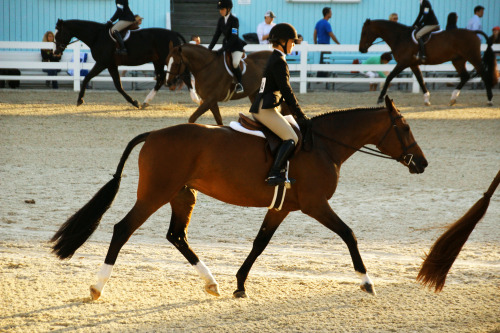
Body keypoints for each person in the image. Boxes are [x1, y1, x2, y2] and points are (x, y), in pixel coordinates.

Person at [249, 23, 308, 186]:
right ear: (283, 41)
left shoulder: (273, 58)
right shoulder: (279, 61)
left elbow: (265, 86)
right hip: (266, 109)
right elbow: (287, 91)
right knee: (292, 138)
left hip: (264, 105)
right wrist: (301, 115)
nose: (294, 45)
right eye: (292, 41)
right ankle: (275, 174)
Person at [208, 0, 247, 94]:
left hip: (236, 46)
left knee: (234, 63)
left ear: (228, 9)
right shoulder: (221, 20)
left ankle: (239, 84)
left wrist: (223, 49)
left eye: (222, 9)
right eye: (220, 9)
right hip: (226, 46)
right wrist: (209, 48)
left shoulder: (234, 20)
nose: (220, 11)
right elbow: (216, 35)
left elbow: (234, 37)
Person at [314, 7, 340, 84]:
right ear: (327, 14)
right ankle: (323, 78)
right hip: (325, 45)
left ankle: (320, 78)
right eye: (330, 12)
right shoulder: (326, 23)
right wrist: (338, 43)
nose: (331, 14)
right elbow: (331, 34)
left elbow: (315, 33)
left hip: (320, 44)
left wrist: (315, 43)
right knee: (326, 61)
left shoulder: (319, 22)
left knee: (322, 60)